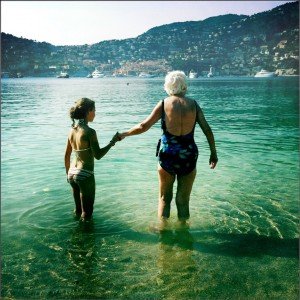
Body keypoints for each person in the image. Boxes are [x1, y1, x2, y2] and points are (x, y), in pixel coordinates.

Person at [119, 71, 218, 225]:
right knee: (183, 200)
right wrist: (213, 153)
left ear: (167, 87)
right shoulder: (194, 104)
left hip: (167, 155)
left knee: (165, 198)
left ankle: (163, 236)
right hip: (189, 155)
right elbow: (207, 129)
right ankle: (184, 237)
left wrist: (124, 134)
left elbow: (144, 126)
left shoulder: (164, 103)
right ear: (184, 86)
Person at [64, 97, 119, 220]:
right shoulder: (90, 132)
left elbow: (67, 155)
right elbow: (98, 155)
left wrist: (67, 174)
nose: (95, 113)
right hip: (85, 173)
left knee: (78, 210)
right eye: (94, 110)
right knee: (87, 213)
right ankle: (85, 238)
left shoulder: (71, 131)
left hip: (72, 173)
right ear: (88, 111)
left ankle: (76, 235)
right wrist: (112, 142)